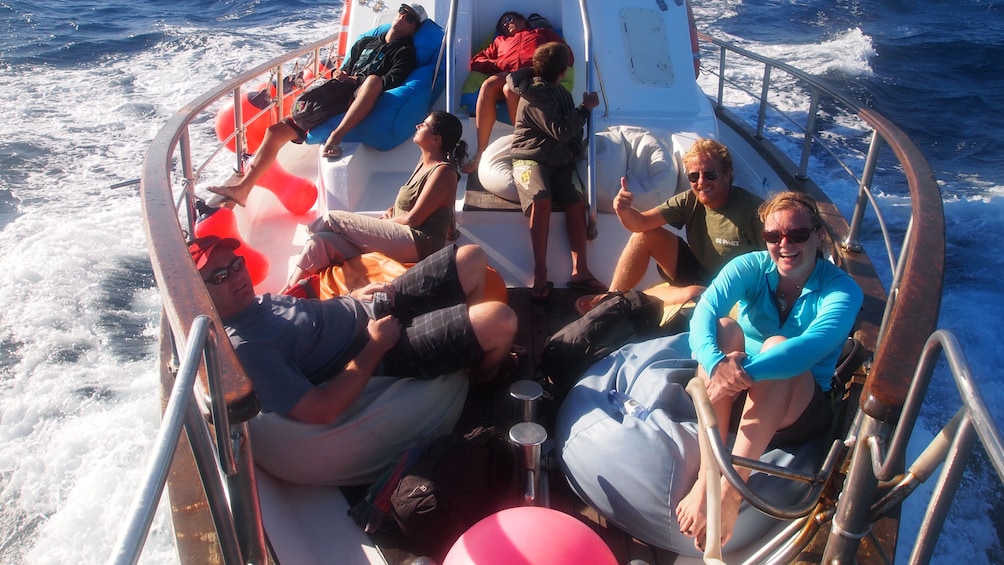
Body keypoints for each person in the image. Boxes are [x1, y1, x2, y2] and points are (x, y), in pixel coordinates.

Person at [189, 235, 518, 485]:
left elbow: (310, 320)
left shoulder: (255, 303)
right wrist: (375, 347)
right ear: (199, 291)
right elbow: (321, 408)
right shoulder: (246, 347)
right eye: (220, 276)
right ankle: (482, 379)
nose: (236, 277)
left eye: (236, 265)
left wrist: (352, 298)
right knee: (500, 320)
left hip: (371, 308)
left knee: (472, 257)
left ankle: (466, 350)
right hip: (381, 349)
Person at [675, 191, 863, 551]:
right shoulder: (751, 266)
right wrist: (716, 363)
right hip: (738, 392)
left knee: (779, 345)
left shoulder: (843, 290)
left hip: (800, 406)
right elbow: (705, 310)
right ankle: (707, 475)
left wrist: (737, 375)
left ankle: (732, 490)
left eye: (797, 235)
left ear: (819, 235)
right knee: (725, 327)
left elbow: (806, 350)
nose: (784, 244)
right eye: (774, 236)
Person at [208, 3, 428, 207]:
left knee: (373, 80)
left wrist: (354, 81)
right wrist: (338, 73)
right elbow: (345, 67)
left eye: (409, 18)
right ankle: (242, 189)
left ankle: (336, 136)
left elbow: (392, 80)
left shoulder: (405, 52)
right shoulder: (365, 42)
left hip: (359, 94)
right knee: (274, 132)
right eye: (401, 11)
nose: (402, 17)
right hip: (335, 93)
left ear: (414, 28)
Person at [279, 111, 468, 293]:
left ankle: (309, 234)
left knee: (331, 219)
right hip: (403, 236)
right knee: (320, 243)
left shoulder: (443, 172)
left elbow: (413, 220)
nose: (418, 126)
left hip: (419, 242)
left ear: (436, 139)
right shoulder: (425, 161)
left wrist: (380, 225)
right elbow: (438, 204)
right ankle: (288, 293)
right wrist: (393, 213)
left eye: (424, 125)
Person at [575, 138, 765, 314]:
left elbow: (775, 264)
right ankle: (612, 300)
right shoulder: (689, 200)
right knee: (646, 236)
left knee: (693, 294)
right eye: (693, 176)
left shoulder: (754, 211)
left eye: (710, 175)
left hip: (734, 290)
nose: (701, 182)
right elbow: (641, 223)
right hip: (698, 271)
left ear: (727, 174)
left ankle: (636, 300)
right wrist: (623, 209)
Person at [507, 41, 603, 300]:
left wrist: (573, 148)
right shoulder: (533, 96)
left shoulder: (561, 93)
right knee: (542, 200)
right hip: (529, 159)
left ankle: (580, 270)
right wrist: (586, 108)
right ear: (562, 70)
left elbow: (569, 133)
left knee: (575, 201)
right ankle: (540, 271)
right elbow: (560, 130)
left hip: (559, 159)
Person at [462, 11, 571, 174]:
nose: (506, 24)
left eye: (509, 19)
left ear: (524, 21)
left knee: (510, 89)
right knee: (488, 85)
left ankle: (523, 144)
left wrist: (546, 66)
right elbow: (477, 60)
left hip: (535, 73)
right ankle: (480, 153)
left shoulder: (542, 33)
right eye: (502, 25)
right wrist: (496, 64)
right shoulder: (499, 41)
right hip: (509, 74)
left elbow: (566, 55)